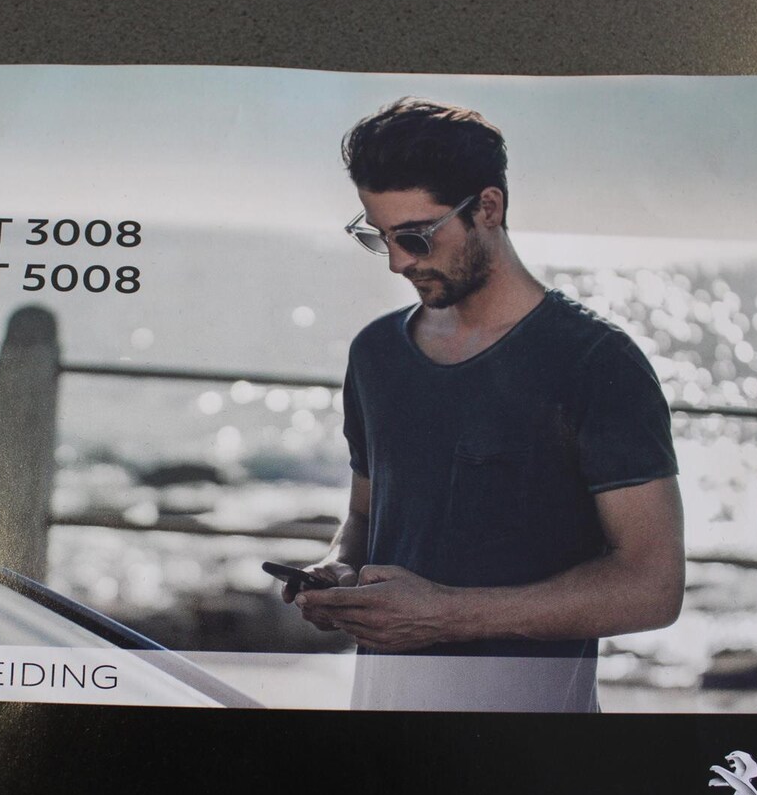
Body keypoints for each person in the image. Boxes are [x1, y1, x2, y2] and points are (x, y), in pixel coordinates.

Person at [282, 98, 685, 712]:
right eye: (380, 238)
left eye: (415, 237)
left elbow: (652, 587)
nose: (398, 262)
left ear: (488, 209)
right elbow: (365, 518)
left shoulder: (596, 362)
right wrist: (338, 572)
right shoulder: (375, 354)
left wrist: (445, 616)